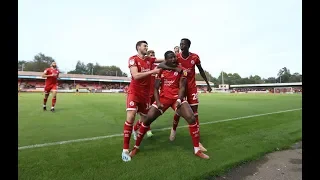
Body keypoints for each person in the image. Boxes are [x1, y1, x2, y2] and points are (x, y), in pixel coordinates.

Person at [129, 50, 209, 159]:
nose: (174, 59)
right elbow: (156, 88)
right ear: (166, 60)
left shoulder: (182, 70)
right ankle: (136, 147)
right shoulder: (161, 70)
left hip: (176, 98)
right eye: (170, 58)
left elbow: (182, 87)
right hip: (163, 98)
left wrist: (180, 100)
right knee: (147, 119)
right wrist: (157, 102)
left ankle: (197, 150)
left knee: (191, 117)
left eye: (174, 57)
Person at [159, 38, 212, 151]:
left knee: (195, 113)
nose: (181, 45)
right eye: (180, 44)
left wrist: (207, 83)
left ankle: (198, 141)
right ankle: (173, 129)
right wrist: (178, 70)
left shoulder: (195, 57)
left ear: (188, 45)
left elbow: (201, 70)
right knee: (179, 110)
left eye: (183, 44)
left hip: (192, 87)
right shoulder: (176, 56)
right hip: (180, 87)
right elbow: (163, 64)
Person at [122, 41, 161, 162]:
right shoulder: (133, 59)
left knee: (145, 120)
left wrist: (175, 57)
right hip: (134, 92)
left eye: (147, 46)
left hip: (146, 95)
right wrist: (152, 72)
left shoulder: (150, 59)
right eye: (145, 46)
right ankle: (125, 150)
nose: (147, 48)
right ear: (138, 47)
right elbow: (136, 75)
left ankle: (135, 130)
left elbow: (163, 60)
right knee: (131, 116)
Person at [132, 50, 156, 139]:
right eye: (151, 55)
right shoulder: (146, 66)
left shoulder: (157, 67)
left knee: (149, 115)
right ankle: (147, 130)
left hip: (155, 94)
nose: (152, 56)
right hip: (146, 94)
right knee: (146, 115)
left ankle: (137, 128)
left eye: (153, 55)